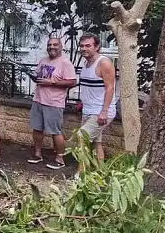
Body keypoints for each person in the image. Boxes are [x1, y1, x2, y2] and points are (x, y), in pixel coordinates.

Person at [27, 38, 77, 169]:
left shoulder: (65, 63)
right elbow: (39, 76)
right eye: (49, 44)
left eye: (55, 44)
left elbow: (72, 82)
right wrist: (34, 77)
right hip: (38, 99)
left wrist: (53, 83)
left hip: (54, 102)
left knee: (55, 131)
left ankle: (60, 158)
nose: (52, 47)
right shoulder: (43, 60)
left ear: (61, 47)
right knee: (37, 128)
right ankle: (38, 154)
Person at [76, 32, 117, 162]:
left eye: (88, 45)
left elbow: (110, 88)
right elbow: (90, 87)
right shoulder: (86, 63)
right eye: (82, 46)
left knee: (82, 137)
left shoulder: (104, 63)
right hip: (88, 109)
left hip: (101, 111)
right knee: (96, 143)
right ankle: (100, 171)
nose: (84, 49)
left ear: (97, 47)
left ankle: (81, 174)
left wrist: (104, 112)